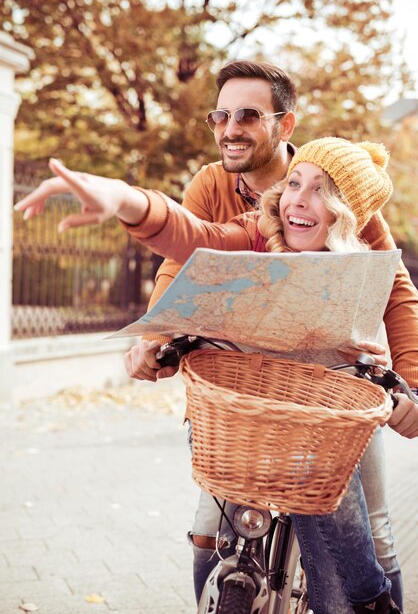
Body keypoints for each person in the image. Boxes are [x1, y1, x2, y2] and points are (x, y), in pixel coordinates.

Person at [14, 136, 418, 614]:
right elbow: (189, 241)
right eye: (294, 184)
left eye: (321, 192)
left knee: (366, 544)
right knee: (211, 524)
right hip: (247, 411)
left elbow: (399, 298)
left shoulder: (365, 251)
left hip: (329, 416)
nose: (299, 200)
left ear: (348, 214)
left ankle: (376, 600)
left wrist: (409, 388)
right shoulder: (252, 228)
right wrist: (124, 198)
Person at [119, 59, 418, 610]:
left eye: (249, 115)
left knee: (374, 528)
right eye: (221, 115)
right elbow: (187, 254)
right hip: (241, 381)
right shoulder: (215, 186)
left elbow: (395, 288)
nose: (230, 128)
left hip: (334, 383)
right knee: (209, 525)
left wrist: (412, 388)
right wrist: (154, 333)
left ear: (285, 123)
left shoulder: (336, 186)